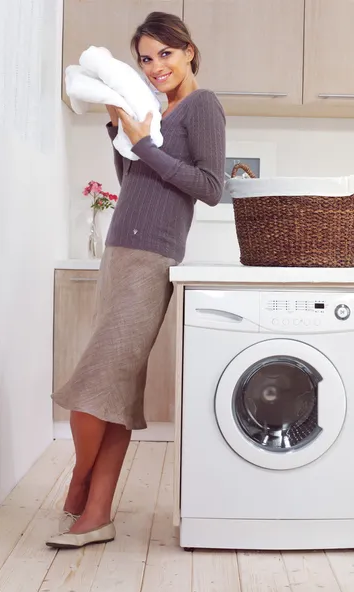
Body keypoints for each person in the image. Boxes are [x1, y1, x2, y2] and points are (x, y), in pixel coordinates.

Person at [46, 11, 226, 549]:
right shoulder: (153, 109)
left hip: (151, 259)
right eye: (145, 58)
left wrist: (146, 142)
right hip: (121, 251)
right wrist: (121, 134)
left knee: (96, 382)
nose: (154, 67)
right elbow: (136, 181)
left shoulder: (202, 106)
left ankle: (79, 483)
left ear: (189, 51)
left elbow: (211, 186)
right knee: (118, 390)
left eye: (164, 54)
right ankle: (97, 513)